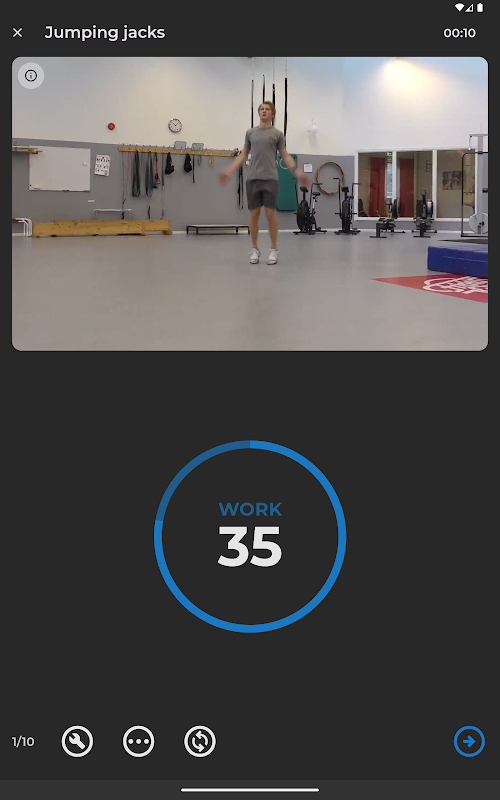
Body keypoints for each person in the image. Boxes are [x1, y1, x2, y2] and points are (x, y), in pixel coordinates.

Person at [219, 101, 309, 265]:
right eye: (261, 109)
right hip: (253, 179)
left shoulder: (277, 134)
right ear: (259, 112)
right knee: (254, 215)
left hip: (270, 179)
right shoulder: (250, 133)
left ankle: (273, 249)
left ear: (273, 114)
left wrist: (297, 171)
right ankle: (255, 249)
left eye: (267, 109)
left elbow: (285, 155)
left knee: (270, 214)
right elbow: (243, 154)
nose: (264, 111)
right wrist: (229, 170)